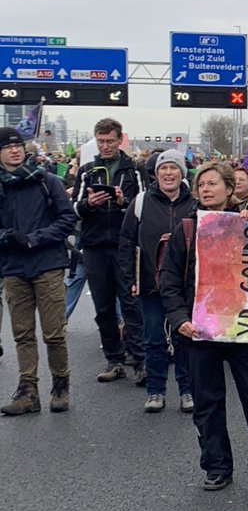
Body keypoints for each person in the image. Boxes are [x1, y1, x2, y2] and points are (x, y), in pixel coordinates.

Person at [158, 162, 248, 491]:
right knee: (207, 404)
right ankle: (216, 466)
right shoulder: (186, 229)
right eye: (201, 185)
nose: (205, 189)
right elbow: (168, 281)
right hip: (200, 332)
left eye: (212, 184)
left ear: (229, 188)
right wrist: (180, 319)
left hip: (243, 329)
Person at [0, 131, 76, 416]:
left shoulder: (48, 181)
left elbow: (68, 219)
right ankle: (28, 391)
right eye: (7, 148)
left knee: (54, 333)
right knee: (22, 334)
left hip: (47, 264)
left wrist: (35, 238)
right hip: (14, 268)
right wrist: (7, 236)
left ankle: (60, 385)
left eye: (17, 145)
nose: (14, 151)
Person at [119, 150, 197, 414]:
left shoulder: (195, 204)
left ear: (182, 174)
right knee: (153, 339)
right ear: (156, 173)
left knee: (184, 339)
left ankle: (187, 390)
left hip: (185, 286)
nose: (168, 173)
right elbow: (127, 243)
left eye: (174, 168)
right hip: (151, 284)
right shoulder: (140, 203)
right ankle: (156, 391)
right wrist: (130, 279)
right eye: (164, 169)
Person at [74, 118, 146, 384]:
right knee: (103, 307)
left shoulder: (134, 170)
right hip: (94, 247)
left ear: (119, 140)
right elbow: (74, 209)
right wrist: (89, 204)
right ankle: (114, 360)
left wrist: (121, 202)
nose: (105, 146)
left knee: (131, 304)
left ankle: (141, 361)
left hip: (124, 246)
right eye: (101, 141)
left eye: (110, 141)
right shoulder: (87, 171)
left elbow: (144, 207)